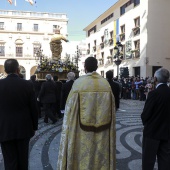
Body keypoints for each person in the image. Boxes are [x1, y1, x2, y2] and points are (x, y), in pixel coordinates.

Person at [57, 57, 116, 170]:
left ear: (85, 68)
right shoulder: (105, 84)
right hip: (103, 132)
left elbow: (70, 109)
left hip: (80, 132)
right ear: (97, 67)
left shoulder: (79, 84)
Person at [0, 59, 38, 170]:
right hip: (24, 128)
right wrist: (34, 126)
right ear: (18, 69)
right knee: (23, 159)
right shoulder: (27, 84)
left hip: (4, 128)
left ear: (6, 70)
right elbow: (33, 107)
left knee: (9, 160)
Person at [141, 68, 170, 170]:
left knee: (148, 161)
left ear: (155, 78)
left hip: (152, 133)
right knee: (165, 161)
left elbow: (145, 115)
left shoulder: (153, 94)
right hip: (166, 132)